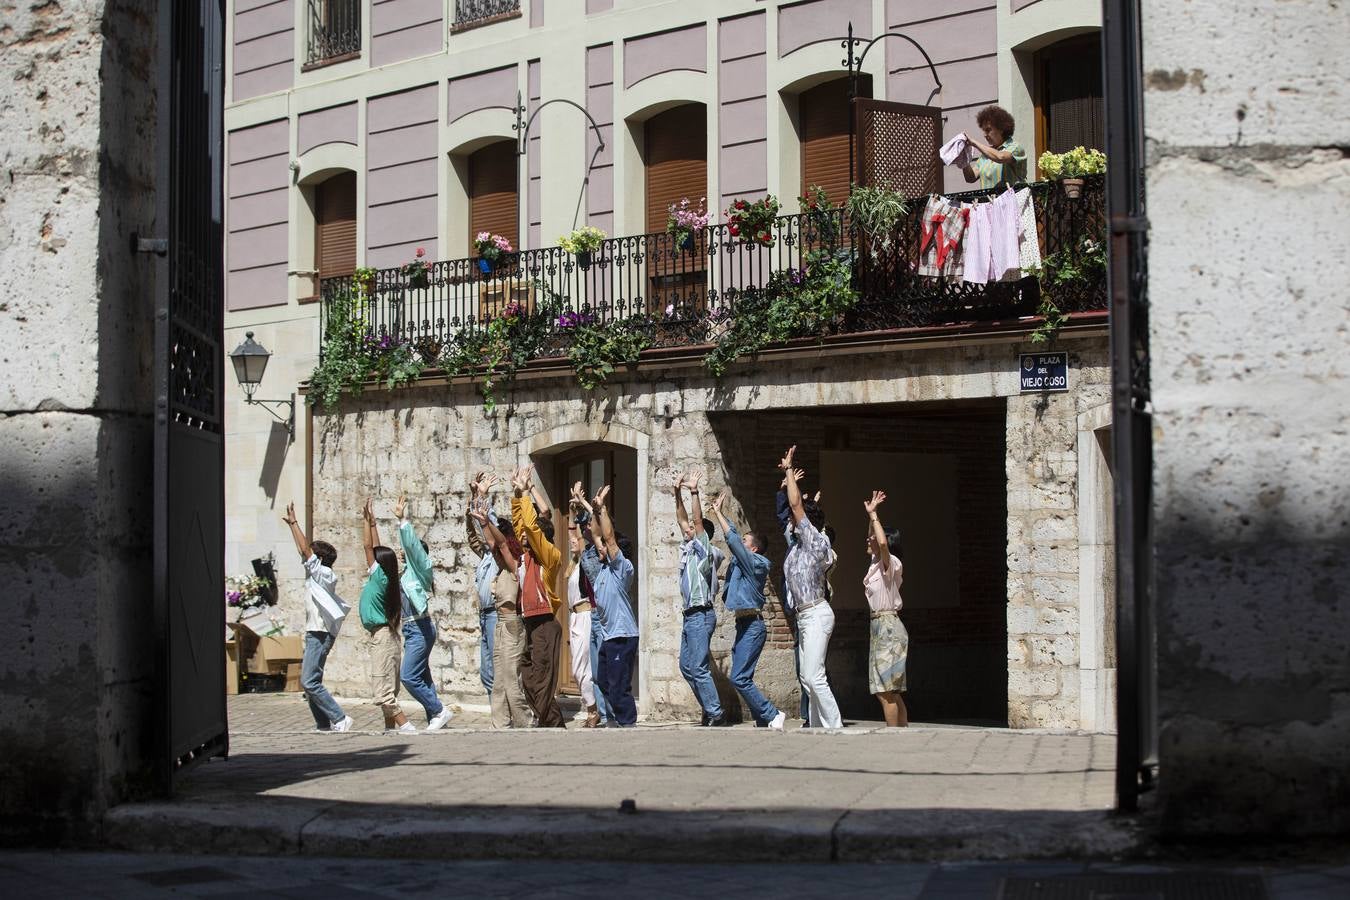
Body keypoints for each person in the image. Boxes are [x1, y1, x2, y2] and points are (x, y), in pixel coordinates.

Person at [709, 491, 786, 730]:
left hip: (753, 626)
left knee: (739, 677)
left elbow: (732, 540)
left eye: (746, 543)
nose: (741, 546)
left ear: (753, 550)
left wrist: (719, 513)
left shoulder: (754, 564)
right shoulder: (745, 562)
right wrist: (722, 513)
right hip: (744, 624)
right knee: (745, 676)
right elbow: (736, 541)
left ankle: (773, 714)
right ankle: (763, 719)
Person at [780, 446, 843, 730]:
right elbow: (789, 508)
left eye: (797, 521)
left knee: (815, 676)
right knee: (806, 677)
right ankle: (817, 726)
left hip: (817, 613)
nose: (792, 522)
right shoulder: (795, 549)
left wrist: (790, 470)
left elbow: (796, 506)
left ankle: (835, 727)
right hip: (803, 616)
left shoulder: (816, 543)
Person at [281, 502, 354, 733]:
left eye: (312, 555)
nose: (306, 556)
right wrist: (292, 528)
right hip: (315, 632)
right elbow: (302, 551)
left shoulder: (324, 574)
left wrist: (295, 523)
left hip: (320, 633)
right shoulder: (318, 574)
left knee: (309, 681)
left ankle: (340, 718)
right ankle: (323, 724)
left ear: (319, 559)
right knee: (312, 682)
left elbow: (305, 551)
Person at [576, 483, 639, 727]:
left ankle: (627, 723)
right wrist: (589, 508)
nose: (600, 546)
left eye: (605, 547)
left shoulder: (623, 569)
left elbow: (609, 538)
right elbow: (595, 535)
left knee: (618, 685)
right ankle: (618, 721)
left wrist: (601, 509)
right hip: (609, 635)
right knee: (602, 680)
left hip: (623, 635)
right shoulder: (599, 572)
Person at [392, 493, 454, 732]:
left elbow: (413, 549)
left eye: (406, 552)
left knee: (408, 676)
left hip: (420, 628)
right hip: (411, 629)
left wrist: (403, 521)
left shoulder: (421, 569)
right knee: (423, 676)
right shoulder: (405, 575)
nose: (402, 553)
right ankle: (434, 716)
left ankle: (439, 710)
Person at [511, 465, 566, 729]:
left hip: (545, 622)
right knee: (528, 675)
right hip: (530, 624)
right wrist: (516, 493)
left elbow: (532, 527)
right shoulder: (526, 558)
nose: (523, 537)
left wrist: (525, 492)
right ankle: (551, 723)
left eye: (529, 537)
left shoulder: (549, 555)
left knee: (542, 679)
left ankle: (553, 726)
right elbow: (520, 525)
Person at [673, 471, 727, 726]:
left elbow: (694, 519)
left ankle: (715, 712)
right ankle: (709, 707)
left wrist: (694, 492)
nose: (686, 529)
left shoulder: (705, 552)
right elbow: (682, 518)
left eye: (692, 529)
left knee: (698, 666)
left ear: (701, 532)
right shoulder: (688, 552)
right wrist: (676, 494)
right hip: (689, 616)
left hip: (701, 613)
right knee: (686, 666)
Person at [472, 498, 531, 728]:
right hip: (499, 625)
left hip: (513, 625)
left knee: (510, 679)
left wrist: (489, 521)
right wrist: (484, 524)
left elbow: (503, 545)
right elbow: (491, 542)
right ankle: (500, 725)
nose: (495, 554)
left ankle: (525, 722)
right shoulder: (499, 566)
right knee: (498, 681)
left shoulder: (515, 565)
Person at [359, 499, 415, 733]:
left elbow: (368, 548)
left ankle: (406, 726)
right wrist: (373, 524)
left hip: (381, 637)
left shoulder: (379, 578)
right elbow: (376, 549)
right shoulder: (388, 578)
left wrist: (366, 521)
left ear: (379, 565)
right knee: (388, 688)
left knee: (382, 692)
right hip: (388, 636)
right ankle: (390, 729)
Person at [862, 490, 910, 727]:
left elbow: (880, 541)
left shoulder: (890, 564)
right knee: (890, 689)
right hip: (880, 626)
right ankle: (902, 732)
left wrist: (875, 516)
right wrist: (870, 517)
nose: (868, 539)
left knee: (885, 689)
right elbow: (875, 539)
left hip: (888, 626)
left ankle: (894, 735)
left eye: (872, 537)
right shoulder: (875, 566)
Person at [558, 489, 601, 728]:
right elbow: (572, 533)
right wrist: (572, 509)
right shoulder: (573, 565)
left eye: (577, 540)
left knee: (582, 665)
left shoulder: (585, 560)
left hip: (586, 614)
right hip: (574, 616)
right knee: (576, 667)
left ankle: (593, 709)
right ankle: (592, 707)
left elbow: (581, 536)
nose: (573, 541)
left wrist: (582, 509)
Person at [465, 472, 500, 702]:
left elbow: (491, 527)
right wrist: (473, 498)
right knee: (486, 673)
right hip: (484, 615)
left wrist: (483, 498)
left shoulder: (500, 554)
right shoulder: (486, 554)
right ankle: (497, 713)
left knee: (497, 671)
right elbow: (472, 534)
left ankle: (503, 716)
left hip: (496, 614)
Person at [962, 104, 1027, 191]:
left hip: (1012, 203)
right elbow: (970, 178)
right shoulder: (986, 155)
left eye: (988, 130)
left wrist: (974, 143)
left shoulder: (1015, 147)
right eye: (984, 130)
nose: (985, 135)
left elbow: (1000, 157)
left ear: (1001, 128)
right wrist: (963, 159)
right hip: (990, 203)